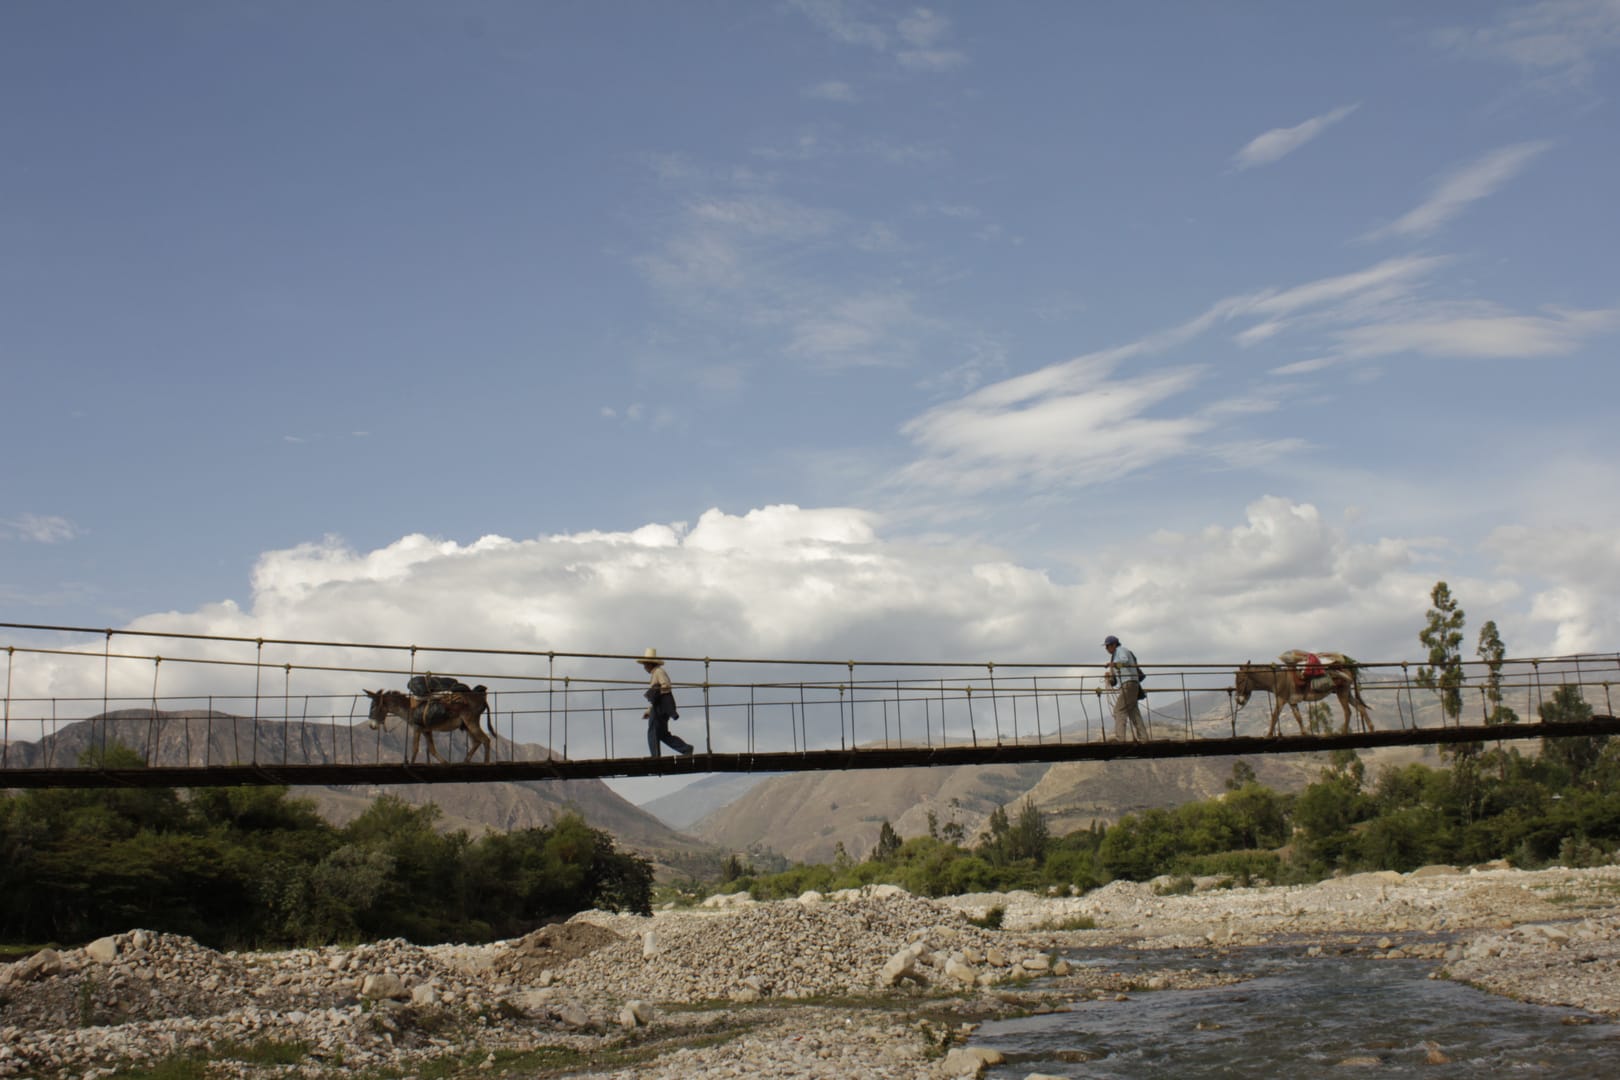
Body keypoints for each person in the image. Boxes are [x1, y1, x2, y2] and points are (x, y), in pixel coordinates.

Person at [639, 648, 694, 757]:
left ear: (650, 664)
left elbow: (666, 685)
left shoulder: (659, 672)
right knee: (663, 734)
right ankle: (686, 748)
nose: (644, 667)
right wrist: (649, 710)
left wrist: (655, 690)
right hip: (662, 705)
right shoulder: (656, 673)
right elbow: (658, 695)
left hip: (661, 706)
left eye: (645, 664)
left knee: (653, 731)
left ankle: (655, 757)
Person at [1103, 634, 1148, 741]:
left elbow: (1124, 660)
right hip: (1131, 684)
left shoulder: (1120, 650)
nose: (1107, 649)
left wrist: (1112, 664)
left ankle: (1120, 739)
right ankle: (1144, 738)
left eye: (1108, 646)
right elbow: (1116, 677)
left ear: (1114, 645)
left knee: (1118, 710)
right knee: (1133, 711)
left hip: (1128, 684)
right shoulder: (1115, 655)